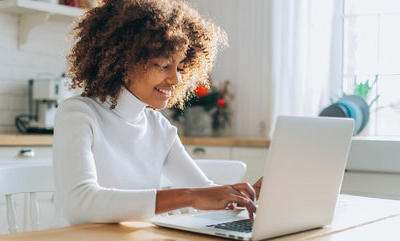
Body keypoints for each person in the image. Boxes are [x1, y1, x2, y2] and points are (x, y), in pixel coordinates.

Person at [53, 0, 262, 225]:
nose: (176, 79)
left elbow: (204, 191)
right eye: (163, 66)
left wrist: (250, 194)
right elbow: (80, 204)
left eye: (180, 67)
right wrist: (188, 197)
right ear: (123, 61)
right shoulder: (78, 114)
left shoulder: (158, 127)